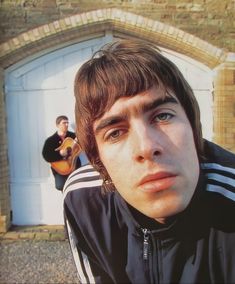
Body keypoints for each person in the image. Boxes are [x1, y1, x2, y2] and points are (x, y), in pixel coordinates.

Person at [63, 40, 235, 283]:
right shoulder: (83, 200)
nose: (146, 147)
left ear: (194, 127)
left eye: (163, 116)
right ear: (98, 161)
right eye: (115, 132)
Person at [42, 115, 81, 191]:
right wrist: (60, 154)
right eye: (64, 123)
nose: (66, 125)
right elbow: (46, 155)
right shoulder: (51, 140)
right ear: (57, 125)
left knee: (78, 186)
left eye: (67, 123)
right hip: (60, 169)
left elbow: (81, 148)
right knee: (60, 185)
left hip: (74, 166)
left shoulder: (73, 136)